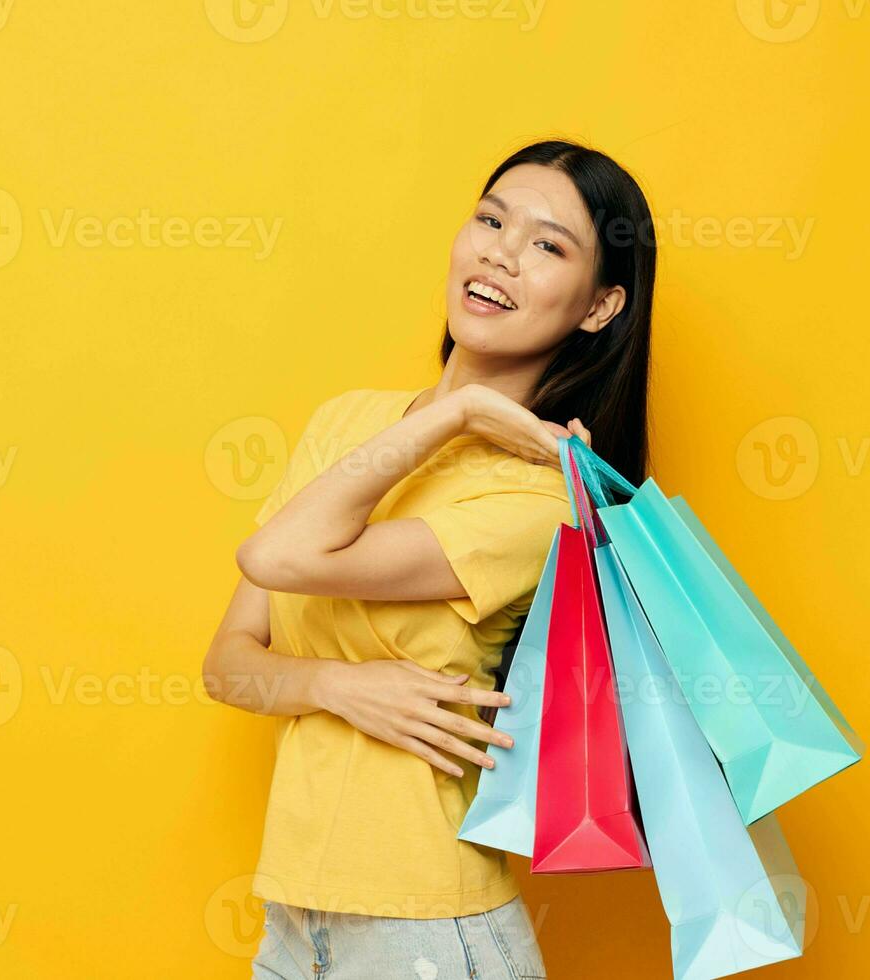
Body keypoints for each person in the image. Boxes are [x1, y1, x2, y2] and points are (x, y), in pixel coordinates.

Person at [202, 138, 657, 979]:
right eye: (491, 220)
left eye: (547, 245)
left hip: (427, 932)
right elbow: (228, 665)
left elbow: (281, 555)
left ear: (599, 308)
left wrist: (462, 415)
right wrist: (339, 685)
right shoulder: (346, 423)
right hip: (294, 916)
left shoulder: (541, 499)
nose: (500, 252)